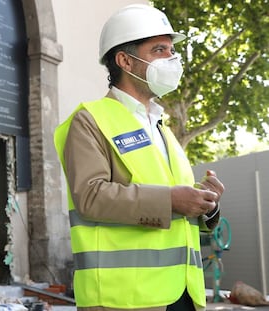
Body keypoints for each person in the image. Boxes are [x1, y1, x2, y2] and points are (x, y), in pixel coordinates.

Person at [54, 4, 225, 311]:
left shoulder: (162, 129)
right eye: (159, 49)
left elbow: (179, 212)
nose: (171, 59)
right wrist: (172, 200)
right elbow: (90, 197)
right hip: (124, 299)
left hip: (184, 293)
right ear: (125, 61)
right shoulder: (90, 120)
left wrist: (206, 207)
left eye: (172, 50)